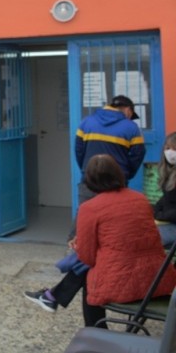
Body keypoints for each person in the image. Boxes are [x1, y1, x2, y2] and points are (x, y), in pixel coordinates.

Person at [24, 154, 176, 328]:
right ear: (118, 174)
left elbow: (87, 258)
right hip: (159, 280)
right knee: (96, 267)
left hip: (126, 287)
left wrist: (81, 244)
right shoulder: (140, 199)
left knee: (90, 275)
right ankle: (52, 297)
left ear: (90, 179)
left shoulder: (89, 208)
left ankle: (96, 331)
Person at [74, 94, 145, 208]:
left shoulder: (86, 122)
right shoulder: (131, 127)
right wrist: (125, 174)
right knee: (114, 218)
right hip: (116, 182)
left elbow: (79, 151)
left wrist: (86, 169)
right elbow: (138, 155)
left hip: (89, 179)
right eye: (131, 115)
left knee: (84, 216)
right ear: (128, 110)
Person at [154, 131, 176, 248]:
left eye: (174, 148)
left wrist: (162, 215)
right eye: (167, 148)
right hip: (168, 222)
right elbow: (166, 199)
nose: (170, 152)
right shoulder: (168, 172)